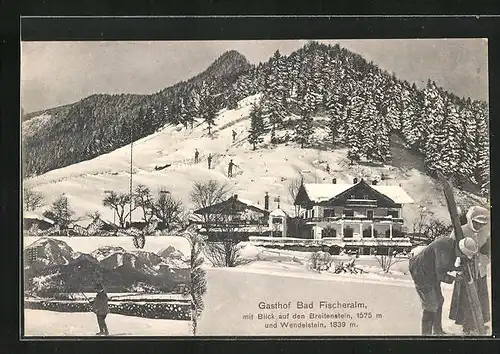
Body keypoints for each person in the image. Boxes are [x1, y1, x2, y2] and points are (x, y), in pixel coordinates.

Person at [409, 235, 478, 335]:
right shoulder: (444, 248)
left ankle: (437, 331)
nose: (462, 257)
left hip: (430, 271)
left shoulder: (453, 245)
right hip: (420, 271)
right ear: (461, 250)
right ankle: (425, 336)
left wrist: (456, 269)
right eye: (463, 255)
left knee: (439, 300)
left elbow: (445, 265)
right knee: (431, 305)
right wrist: (455, 278)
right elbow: (441, 274)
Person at [449, 206, 490, 334]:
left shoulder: (486, 232)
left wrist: (485, 257)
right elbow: (450, 248)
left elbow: (489, 251)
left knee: (481, 296)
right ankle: (468, 326)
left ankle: (480, 322)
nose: (479, 226)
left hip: (479, 271)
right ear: (470, 219)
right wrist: (458, 260)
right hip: (465, 272)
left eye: (482, 223)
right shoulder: (460, 231)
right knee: (466, 299)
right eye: (476, 222)